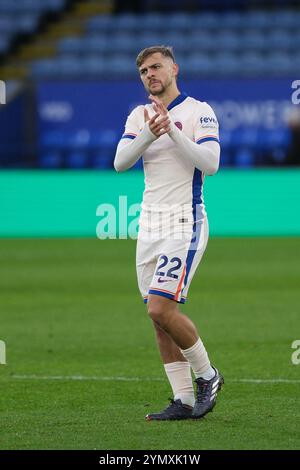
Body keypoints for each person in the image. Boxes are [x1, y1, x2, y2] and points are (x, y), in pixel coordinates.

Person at [114, 45, 223, 421]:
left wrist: (173, 133)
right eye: (143, 70)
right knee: (157, 315)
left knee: (162, 306)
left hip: (184, 221)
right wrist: (149, 132)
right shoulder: (139, 115)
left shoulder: (199, 111)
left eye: (156, 66)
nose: (150, 74)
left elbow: (210, 164)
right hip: (149, 225)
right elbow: (120, 162)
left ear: (174, 68)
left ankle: (208, 375)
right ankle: (183, 400)